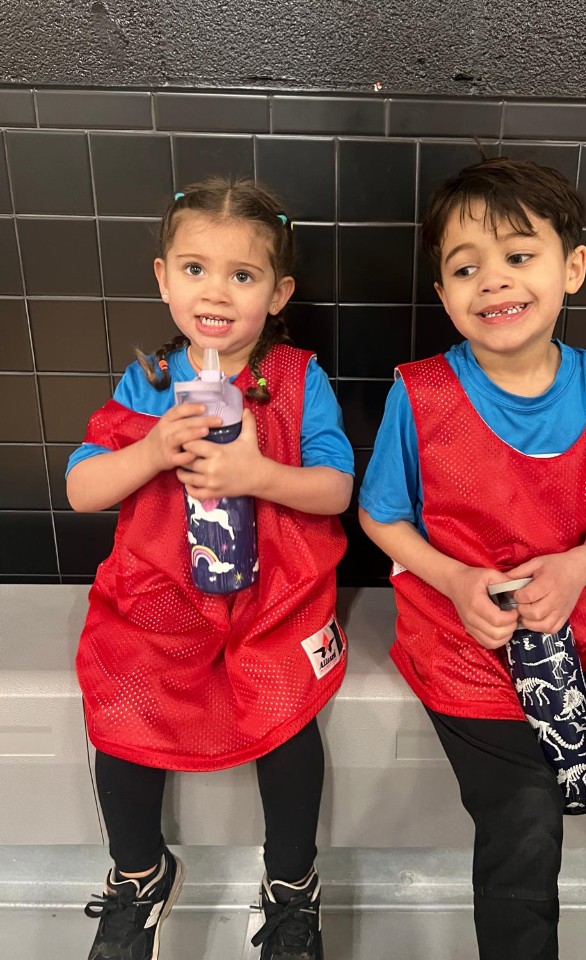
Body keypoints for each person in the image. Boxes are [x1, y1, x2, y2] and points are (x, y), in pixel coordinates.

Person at [358, 158, 586, 960]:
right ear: (443, 293)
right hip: (465, 636)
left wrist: (577, 567)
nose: (493, 281)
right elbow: (380, 515)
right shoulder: (420, 395)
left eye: (519, 256)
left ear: (573, 268)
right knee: (522, 809)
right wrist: (456, 580)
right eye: (466, 269)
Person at [67, 177, 354, 960]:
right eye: (195, 269)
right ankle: (140, 874)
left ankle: (291, 884)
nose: (216, 292)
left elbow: (336, 489)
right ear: (164, 279)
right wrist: (152, 448)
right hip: (164, 596)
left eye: (243, 274)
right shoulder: (150, 382)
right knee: (121, 703)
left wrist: (260, 476)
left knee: (287, 719)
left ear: (278, 291)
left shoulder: (297, 379)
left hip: (276, 598)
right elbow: (83, 488)